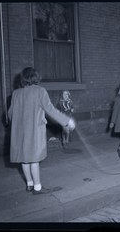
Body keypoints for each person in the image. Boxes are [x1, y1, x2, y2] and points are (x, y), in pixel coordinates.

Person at [8, 67, 76, 195]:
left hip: (19, 131)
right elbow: (50, 109)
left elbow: (10, 115)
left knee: (24, 159)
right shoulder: (40, 91)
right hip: (34, 129)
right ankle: (38, 188)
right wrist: (66, 120)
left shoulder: (16, 93)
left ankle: (29, 184)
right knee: (34, 159)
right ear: (35, 78)